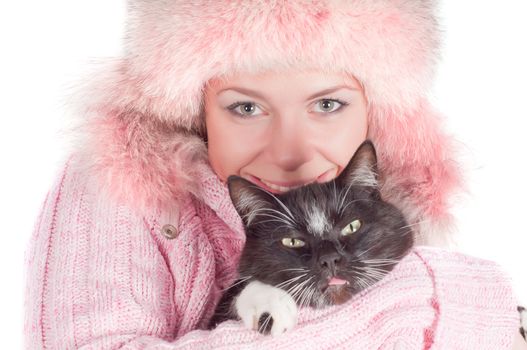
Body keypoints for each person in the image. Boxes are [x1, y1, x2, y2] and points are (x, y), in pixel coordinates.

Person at [24, 1, 525, 349]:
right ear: (196, 112)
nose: (291, 153)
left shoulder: (383, 207)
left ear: (376, 114)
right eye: (246, 107)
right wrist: (416, 302)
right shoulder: (116, 192)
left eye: (327, 104)